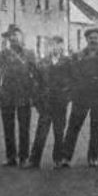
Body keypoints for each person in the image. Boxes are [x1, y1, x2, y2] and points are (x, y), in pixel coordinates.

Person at [62, 27, 98, 167]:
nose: (93, 40)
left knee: (96, 128)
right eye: (90, 37)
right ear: (86, 39)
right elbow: (70, 76)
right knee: (73, 127)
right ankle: (65, 157)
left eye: (96, 37)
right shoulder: (77, 56)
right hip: (81, 97)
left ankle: (92, 158)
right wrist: (75, 89)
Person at [0, 25, 38, 167]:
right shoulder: (2, 55)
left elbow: (35, 76)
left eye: (16, 35)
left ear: (22, 36)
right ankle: (10, 157)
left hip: (24, 94)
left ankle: (24, 157)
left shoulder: (30, 54)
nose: (13, 38)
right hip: (7, 94)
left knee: (24, 127)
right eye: (10, 36)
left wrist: (33, 96)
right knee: (8, 128)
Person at [28, 36, 73, 169]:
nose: (55, 48)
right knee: (41, 132)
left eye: (58, 45)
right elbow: (36, 82)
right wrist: (37, 101)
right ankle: (34, 160)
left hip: (60, 102)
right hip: (45, 103)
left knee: (59, 132)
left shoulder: (68, 62)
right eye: (52, 45)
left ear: (62, 46)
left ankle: (58, 159)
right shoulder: (42, 62)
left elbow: (72, 81)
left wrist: (67, 96)